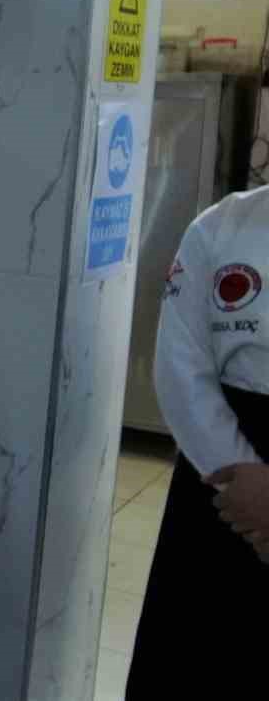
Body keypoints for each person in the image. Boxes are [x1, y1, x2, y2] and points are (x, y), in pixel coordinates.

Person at [130, 184, 269, 696]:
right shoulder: (219, 225)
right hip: (225, 477)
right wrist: (240, 478)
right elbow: (180, 366)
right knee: (195, 658)